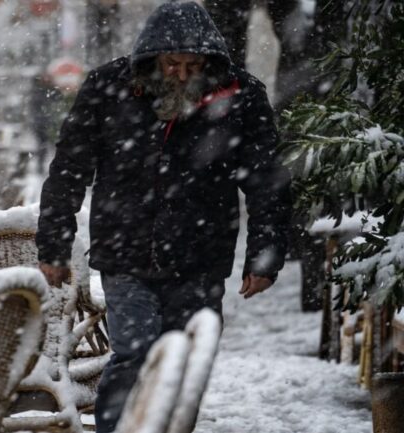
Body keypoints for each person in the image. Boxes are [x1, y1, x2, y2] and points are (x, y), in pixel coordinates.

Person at [34, 2, 292, 432]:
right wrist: (55, 243)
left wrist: (266, 254)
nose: (182, 74)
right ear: (151, 57)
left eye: (193, 64)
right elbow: (69, 170)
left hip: (201, 255)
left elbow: (267, 181)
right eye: (172, 63)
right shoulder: (107, 87)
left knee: (185, 364)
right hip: (125, 250)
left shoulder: (240, 95)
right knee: (134, 353)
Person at [29, 71, 63, 174]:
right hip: (43, 123)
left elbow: (58, 98)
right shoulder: (39, 92)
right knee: (44, 145)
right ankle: (43, 166)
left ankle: (51, 166)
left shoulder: (45, 91)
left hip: (47, 123)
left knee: (47, 146)